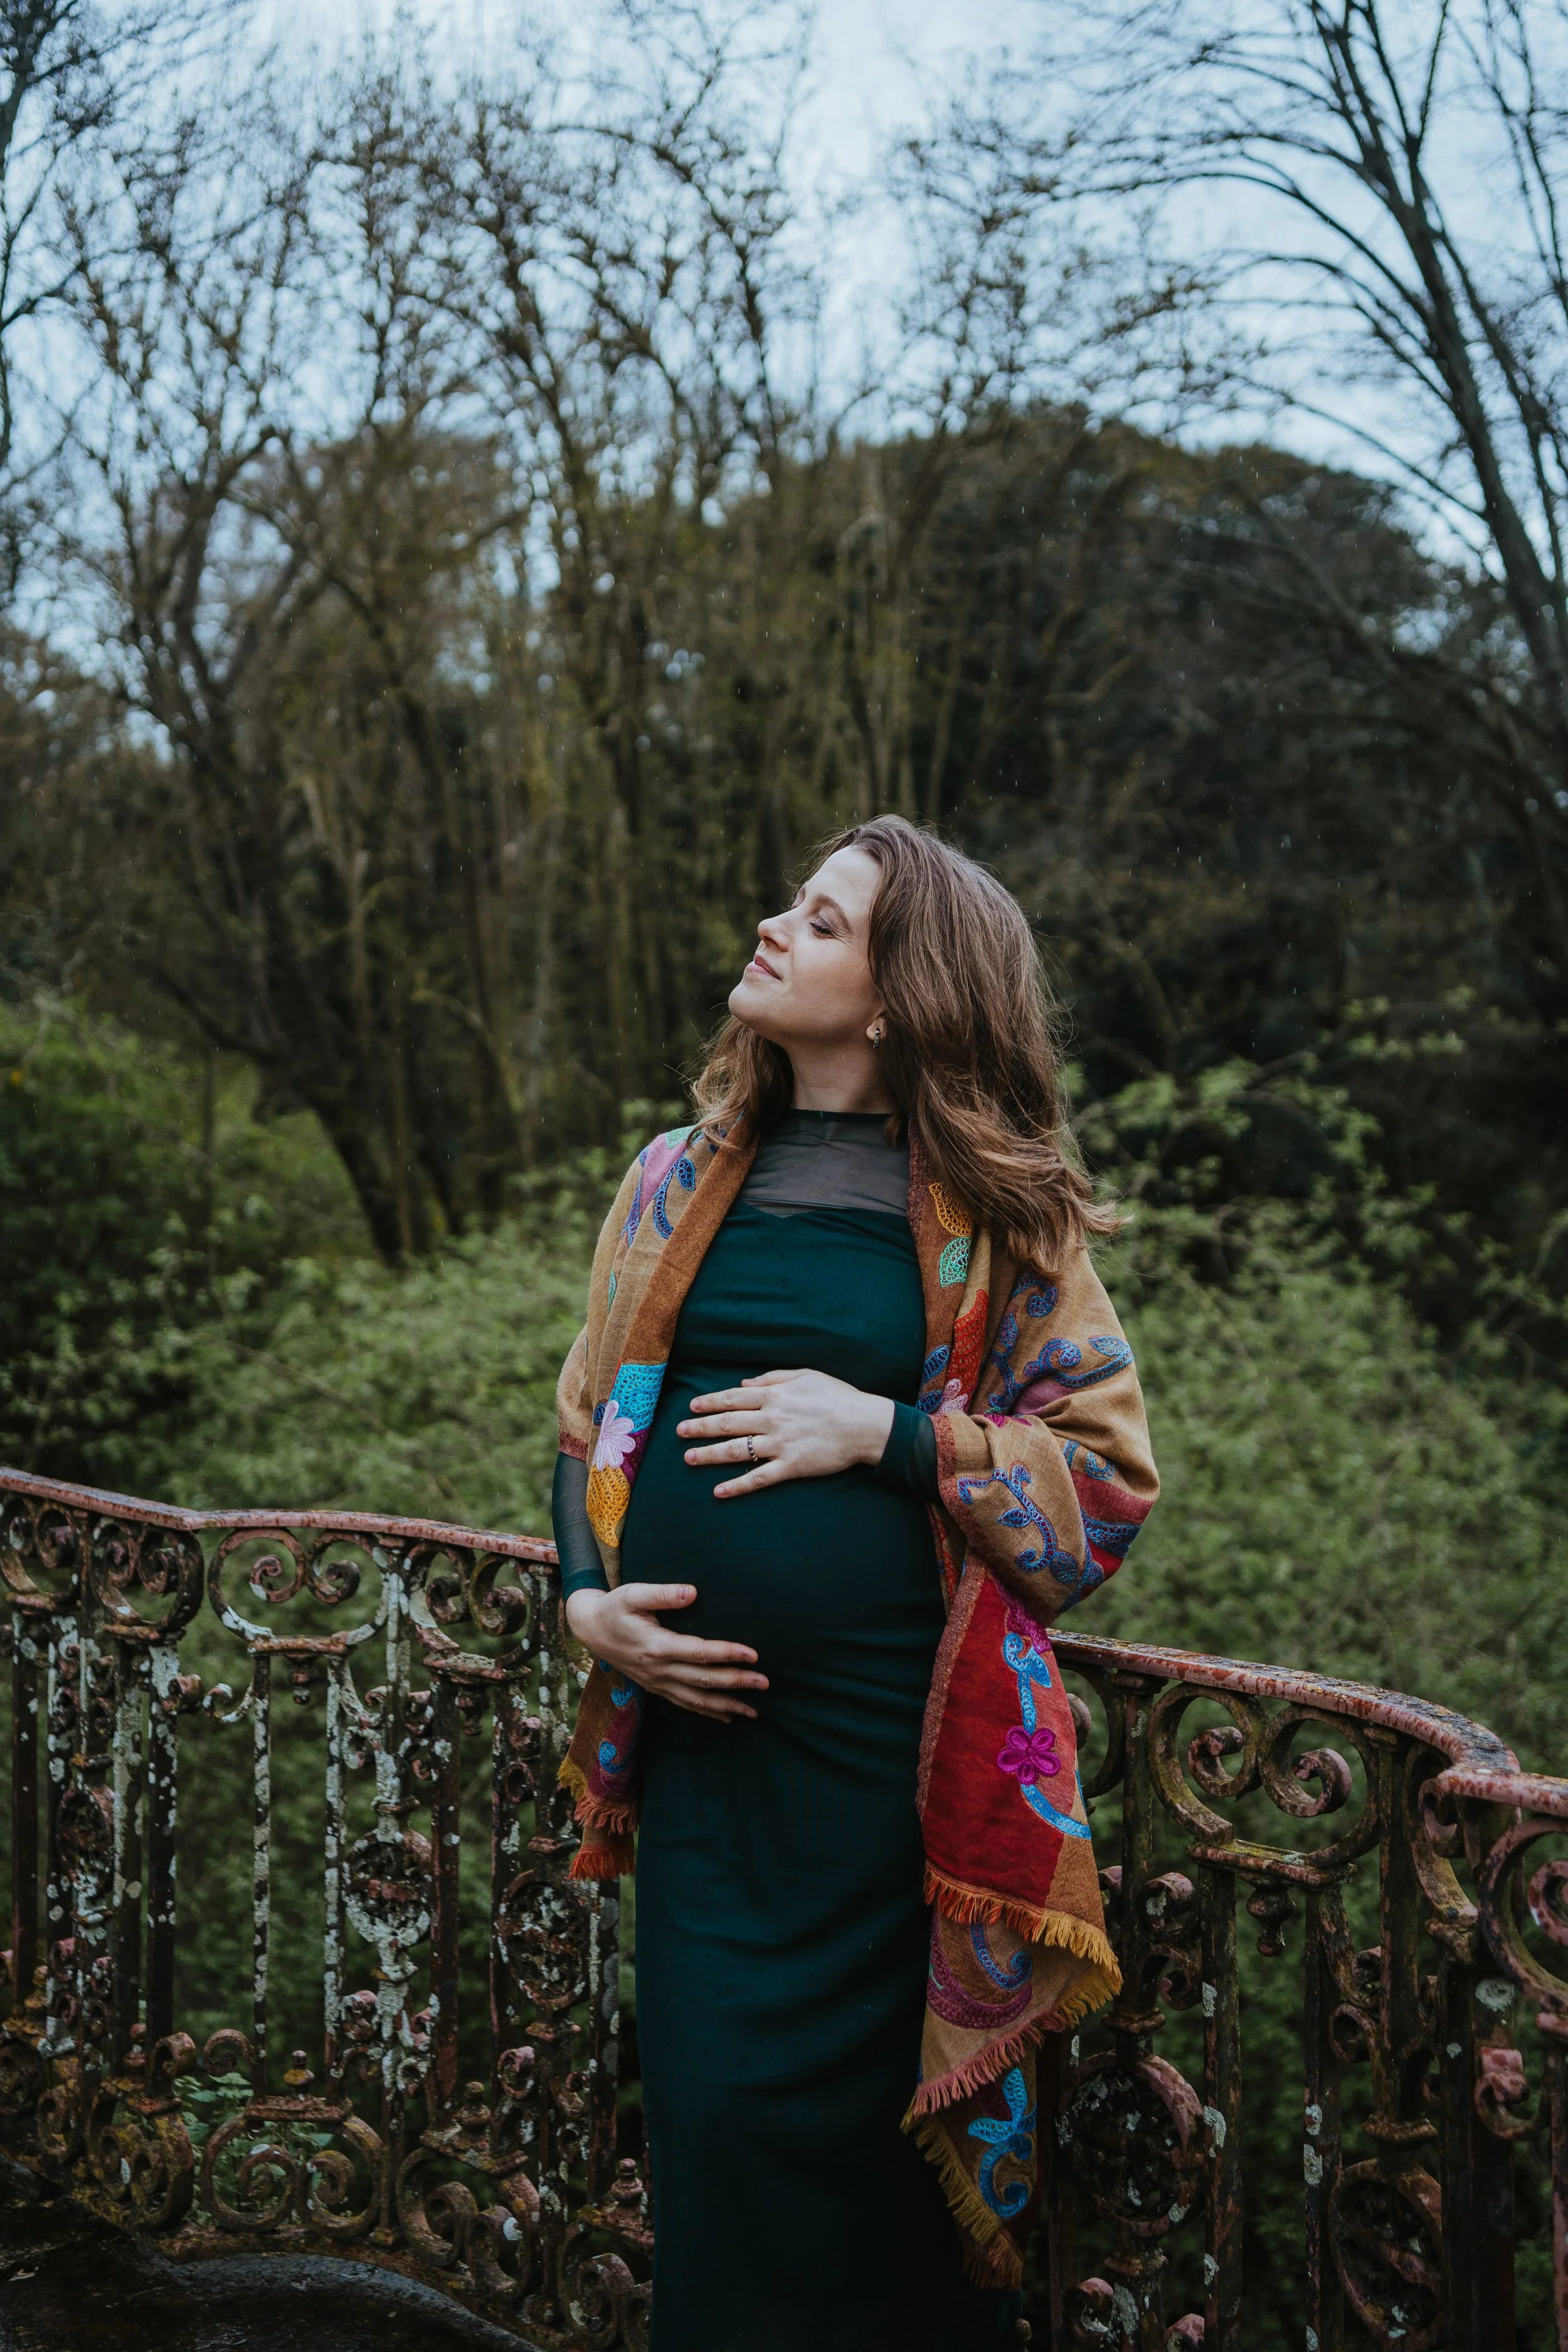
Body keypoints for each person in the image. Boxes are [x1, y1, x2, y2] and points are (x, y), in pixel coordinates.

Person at [551, 817, 1158, 2352]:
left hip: (890, 1794)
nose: (772, 926)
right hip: (707, 1776)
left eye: (818, 922)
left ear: (894, 996)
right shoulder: (668, 1180)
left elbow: (1097, 1486)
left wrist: (885, 1430)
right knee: (712, 2137)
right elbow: (588, 1427)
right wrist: (583, 1599)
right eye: (793, 905)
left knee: (870, 2187)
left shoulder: (997, 1222)